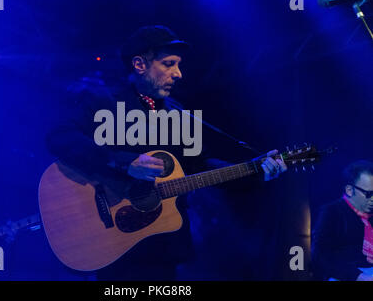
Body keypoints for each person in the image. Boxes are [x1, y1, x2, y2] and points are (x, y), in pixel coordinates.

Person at [45, 25, 287, 280]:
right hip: (115, 244)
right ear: (139, 65)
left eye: (178, 65)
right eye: (169, 64)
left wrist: (254, 171)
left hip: (162, 248)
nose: (178, 74)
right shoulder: (103, 102)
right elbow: (60, 137)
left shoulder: (176, 112)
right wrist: (124, 162)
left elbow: (199, 166)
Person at [312, 160, 373, 281]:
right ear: (349, 190)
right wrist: (358, 276)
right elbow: (320, 256)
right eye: (369, 193)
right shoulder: (332, 212)